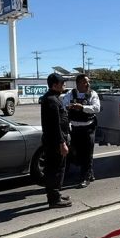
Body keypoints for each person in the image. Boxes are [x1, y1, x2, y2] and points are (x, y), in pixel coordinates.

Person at [62, 73, 101, 187]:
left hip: (88, 128)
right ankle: (90, 173)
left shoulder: (92, 94)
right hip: (75, 128)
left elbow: (96, 108)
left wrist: (83, 107)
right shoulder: (71, 93)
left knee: (87, 153)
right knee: (77, 153)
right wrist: (70, 106)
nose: (88, 84)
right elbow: (63, 105)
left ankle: (85, 177)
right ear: (78, 83)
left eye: (88, 82)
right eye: (85, 82)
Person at [39, 73, 72, 208]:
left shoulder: (53, 98)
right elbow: (54, 125)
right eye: (62, 83)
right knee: (55, 169)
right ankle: (54, 199)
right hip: (55, 142)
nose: (64, 84)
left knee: (56, 168)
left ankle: (56, 193)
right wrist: (61, 143)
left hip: (54, 140)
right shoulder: (51, 100)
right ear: (54, 85)